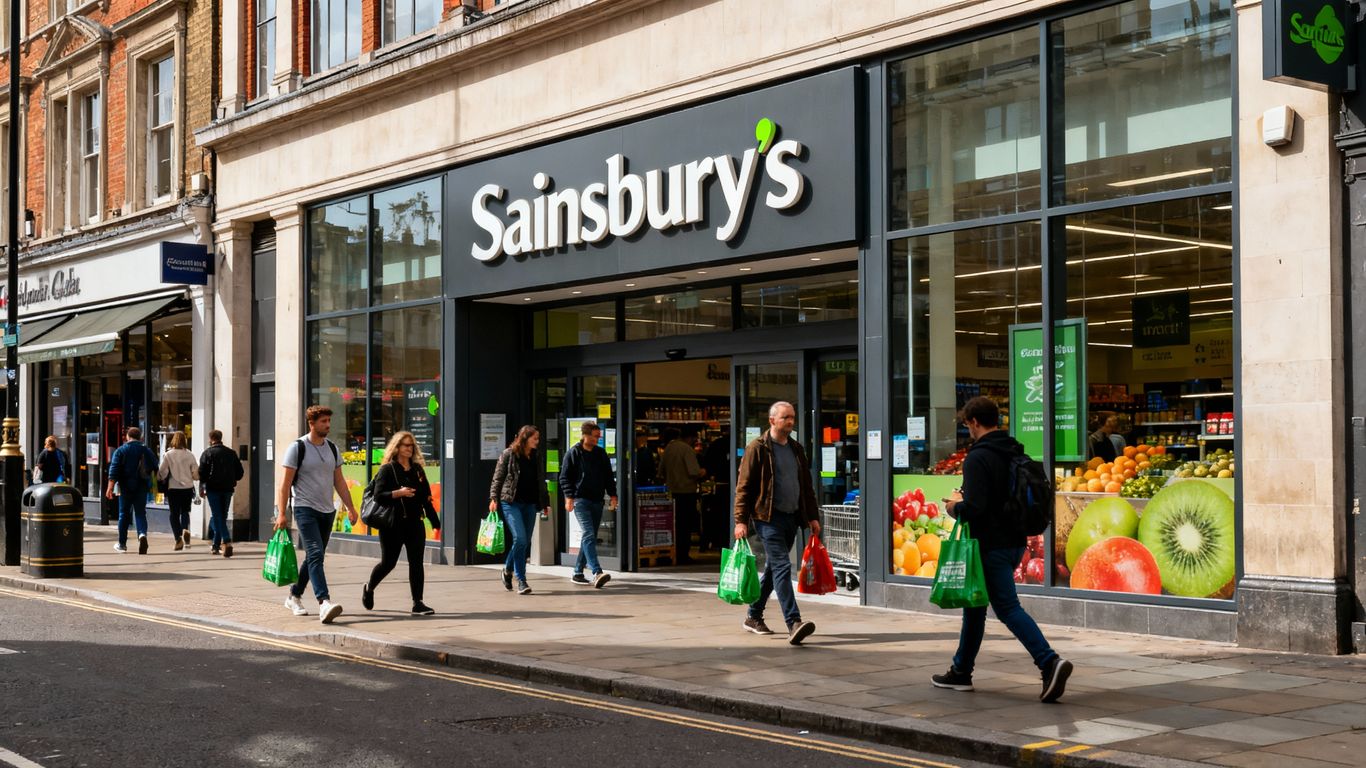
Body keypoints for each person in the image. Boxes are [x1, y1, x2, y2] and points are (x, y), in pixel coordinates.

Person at [936, 396, 1073, 703]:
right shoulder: (1012, 450)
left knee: (1007, 608)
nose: (968, 430)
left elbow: (976, 508)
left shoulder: (978, 457)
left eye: (967, 425)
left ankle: (1049, 662)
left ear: (973, 422)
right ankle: (961, 671)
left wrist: (954, 506)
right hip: (1015, 543)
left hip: (990, 545)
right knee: (974, 607)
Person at [734, 402, 821, 645]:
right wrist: (740, 520)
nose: (791, 422)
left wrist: (812, 516)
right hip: (767, 518)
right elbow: (744, 487)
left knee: (774, 569)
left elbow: (806, 487)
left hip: (791, 517)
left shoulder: (796, 449)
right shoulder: (758, 448)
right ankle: (793, 622)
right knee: (783, 565)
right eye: (786, 418)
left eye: (793, 417)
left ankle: (753, 615)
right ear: (772, 420)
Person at [275, 405, 359, 624]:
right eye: (323, 422)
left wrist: (350, 507)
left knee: (315, 556)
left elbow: (339, 481)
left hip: (327, 510)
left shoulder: (332, 448)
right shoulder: (298, 447)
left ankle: (294, 596)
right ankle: (324, 602)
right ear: (311, 423)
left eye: (329, 421)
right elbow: (284, 485)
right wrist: (281, 514)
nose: (328, 425)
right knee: (314, 551)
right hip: (305, 508)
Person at [363, 431, 441, 615]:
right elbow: (378, 496)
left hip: (415, 523)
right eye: (406, 445)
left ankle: (417, 603)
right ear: (397, 447)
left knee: (416, 563)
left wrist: (435, 522)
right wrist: (398, 493)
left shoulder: (418, 471)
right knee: (388, 563)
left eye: (411, 445)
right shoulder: (387, 470)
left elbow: (426, 498)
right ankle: (370, 587)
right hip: (392, 525)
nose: (409, 448)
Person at [489, 425, 550, 595]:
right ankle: (521, 580)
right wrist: (493, 498)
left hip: (530, 503)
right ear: (525, 438)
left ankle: (507, 569)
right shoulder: (509, 454)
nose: (537, 441)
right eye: (535, 438)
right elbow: (498, 477)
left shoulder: (536, 455)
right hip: (511, 502)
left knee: (523, 542)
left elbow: (540, 479)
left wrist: (545, 502)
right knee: (520, 538)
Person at [559, 420, 617, 588]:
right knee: (589, 534)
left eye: (599, 436)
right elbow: (564, 477)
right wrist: (569, 497)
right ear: (585, 435)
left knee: (587, 536)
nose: (598, 439)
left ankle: (577, 572)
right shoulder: (573, 453)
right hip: (580, 500)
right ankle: (597, 572)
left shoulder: (601, 453)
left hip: (597, 500)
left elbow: (608, 476)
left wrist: (613, 495)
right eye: (595, 436)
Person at [105, 427, 159, 555]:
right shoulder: (146, 450)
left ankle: (122, 544)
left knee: (123, 514)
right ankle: (142, 535)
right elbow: (155, 466)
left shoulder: (121, 450)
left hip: (125, 487)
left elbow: (114, 470)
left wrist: (110, 487)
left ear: (128, 437)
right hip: (142, 486)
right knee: (140, 513)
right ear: (140, 437)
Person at [660, 426, 706, 565]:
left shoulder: (669, 448)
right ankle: (683, 556)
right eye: (695, 439)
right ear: (691, 437)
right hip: (686, 493)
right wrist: (703, 471)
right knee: (685, 526)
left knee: (673, 526)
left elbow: (661, 471)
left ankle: (673, 554)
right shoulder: (687, 449)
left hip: (671, 492)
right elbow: (693, 471)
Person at [199, 429, 244, 557]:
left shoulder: (207, 453)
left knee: (218, 516)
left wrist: (202, 488)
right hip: (227, 489)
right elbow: (240, 472)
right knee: (221, 516)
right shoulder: (231, 453)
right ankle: (215, 545)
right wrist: (233, 479)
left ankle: (227, 540)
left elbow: (202, 472)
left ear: (210, 438)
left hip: (213, 489)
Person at [157, 431, 199, 551]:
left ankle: (178, 538)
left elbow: (162, 471)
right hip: (187, 488)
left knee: (174, 514)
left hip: (173, 488)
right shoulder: (190, 455)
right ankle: (185, 528)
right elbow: (195, 473)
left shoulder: (168, 454)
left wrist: (159, 478)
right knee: (185, 511)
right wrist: (194, 478)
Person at [700, 430, 731, 552]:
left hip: (719, 486)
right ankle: (727, 543)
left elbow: (707, 466)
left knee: (719, 516)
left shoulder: (715, 445)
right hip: (731, 486)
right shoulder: (738, 442)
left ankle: (720, 543)